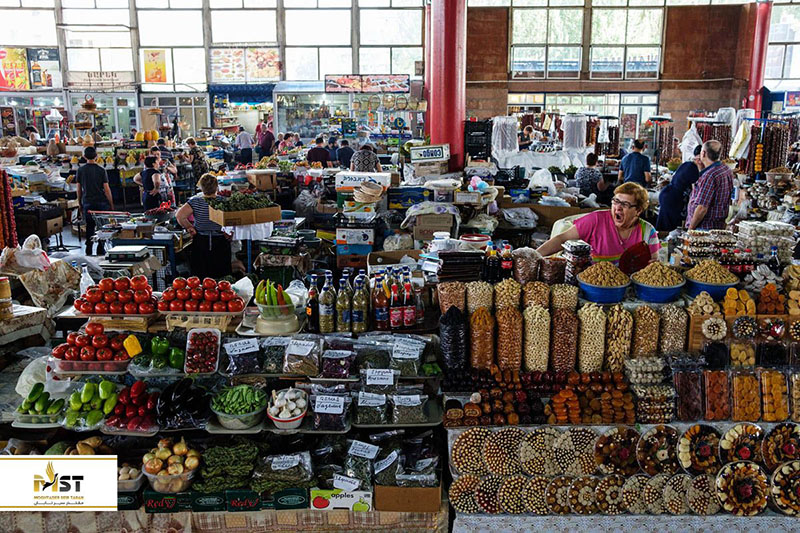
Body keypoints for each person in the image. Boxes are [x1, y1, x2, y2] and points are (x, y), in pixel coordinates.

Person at [536, 182, 660, 266]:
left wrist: (654, 265)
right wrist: (534, 255)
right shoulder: (596, 220)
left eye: (625, 204)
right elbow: (562, 239)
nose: (618, 207)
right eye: (616, 201)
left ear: (638, 210)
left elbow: (654, 263)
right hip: (593, 285)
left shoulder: (648, 232)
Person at [175, 173, 232, 279]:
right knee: (221, 275)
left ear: (201, 187)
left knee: (202, 276)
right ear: (217, 187)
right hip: (220, 240)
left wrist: (190, 227)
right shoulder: (223, 201)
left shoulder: (195, 201)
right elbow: (232, 221)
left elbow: (180, 216)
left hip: (201, 241)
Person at [686, 140, 735, 230]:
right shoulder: (726, 169)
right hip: (718, 225)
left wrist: (691, 228)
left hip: (705, 227)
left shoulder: (709, 175)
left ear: (703, 153)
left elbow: (702, 208)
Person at [76, 146, 114, 256]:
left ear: (84, 157)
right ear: (96, 156)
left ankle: (89, 246)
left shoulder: (81, 170)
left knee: (90, 226)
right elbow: (107, 189)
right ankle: (101, 248)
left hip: (88, 202)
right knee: (102, 226)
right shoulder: (101, 170)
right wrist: (111, 204)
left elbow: (78, 189)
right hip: (101, 202)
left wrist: (79, 203)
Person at [656, 145, 704, 232]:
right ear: (699, 158)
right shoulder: (693, 169)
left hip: (667, 194)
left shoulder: (686, 164)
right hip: (673, 199)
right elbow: (695, 192)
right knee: (670, 229)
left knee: (664, 224)